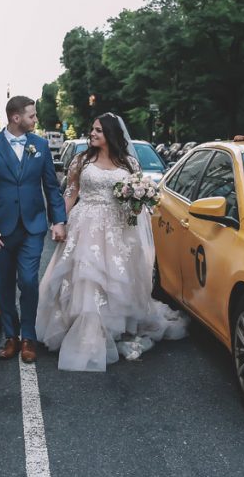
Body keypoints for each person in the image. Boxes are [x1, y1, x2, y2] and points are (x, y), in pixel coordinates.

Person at [36, 112, 187, 371]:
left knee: (115, 278)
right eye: (92, 129)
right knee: (85, 277)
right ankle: (84, 329)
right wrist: (59, 222)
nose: (92, 134)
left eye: (98, 131)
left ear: (111, 135)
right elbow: (71, 193)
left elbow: (136, 201)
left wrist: (138, 201)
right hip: (85, 225)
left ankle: (111, 326)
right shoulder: (81, 161)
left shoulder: (128, 164)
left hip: (117, 226)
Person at [0, 95, 67, 363]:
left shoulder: (40, 145)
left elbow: (51, 186)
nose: (35, 119)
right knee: (3, 284)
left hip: (32, 226)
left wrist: (58, 219)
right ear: (16, 118)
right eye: (32, 115)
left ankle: (29, 337)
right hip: (0, 230)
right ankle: (11, 337)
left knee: (27, 281)